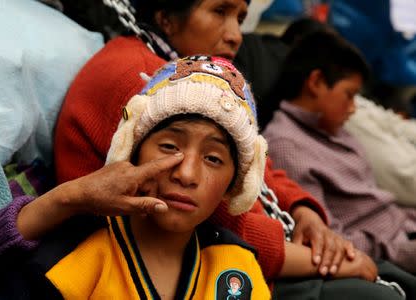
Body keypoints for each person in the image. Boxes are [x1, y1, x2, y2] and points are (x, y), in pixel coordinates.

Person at [54, 0, 358, 283]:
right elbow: (224, 223)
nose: (236, 36)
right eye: (219, 12)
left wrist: (302, 209)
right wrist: (329, 261)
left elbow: (251, 160)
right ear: (166, 18)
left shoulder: (193, 75)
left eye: (240, 18)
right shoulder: (143, 81)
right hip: (119, 266)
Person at [2, 56, 272, 299]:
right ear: (132, 151)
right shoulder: (73, 254)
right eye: (169, 146)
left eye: (213, 159)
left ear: (235, 183)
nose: (186, 174)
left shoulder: (237, 267)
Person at [263, 30, 416, 293]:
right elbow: (332, 240)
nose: (353, 107)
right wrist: (405, 250)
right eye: (349, 94)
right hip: (389, 254)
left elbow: (377, 200)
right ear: (316, 82)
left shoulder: (333, 129)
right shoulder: (287, 146)